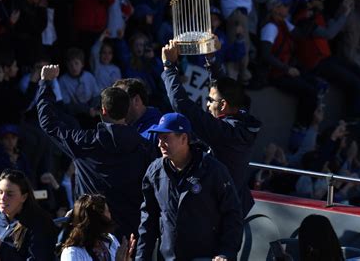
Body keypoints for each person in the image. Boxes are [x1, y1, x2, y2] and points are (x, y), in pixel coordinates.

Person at [38, 64, 155, 238]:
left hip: (93, 235)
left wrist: (45, 84)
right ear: (126, 110)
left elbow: (49, 123)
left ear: (103, 110)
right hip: (132, 236)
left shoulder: (84, 142)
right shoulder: (145, 147)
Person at [160, 38, 261, 216]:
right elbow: (224, 88)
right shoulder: (242, 118)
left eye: (210, 101)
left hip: (216, 213)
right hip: (233, 209)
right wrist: (211, 59)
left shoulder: (222, 132)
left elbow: (182, 105)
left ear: (222, 106)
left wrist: (169, 67)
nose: (207, 105)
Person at [136, 112, 243, 260]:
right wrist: (141, 258)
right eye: (159, 137)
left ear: (184, 138)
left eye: (166, 137)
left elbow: (232, 214)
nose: (160, 143)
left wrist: (226, 252)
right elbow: (148, 220)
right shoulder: (154, 172)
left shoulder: (213, 170)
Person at [0, 169, 57, 260]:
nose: (2, 198)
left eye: (10, 194)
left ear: (24, 197)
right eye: (0, 192)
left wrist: (1, 249)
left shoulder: (40, 223)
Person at [60, 194, 135, 261]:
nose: (110, 216)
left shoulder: (110, 241)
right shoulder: (72, 253)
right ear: (97, 219)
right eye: (107, 211)